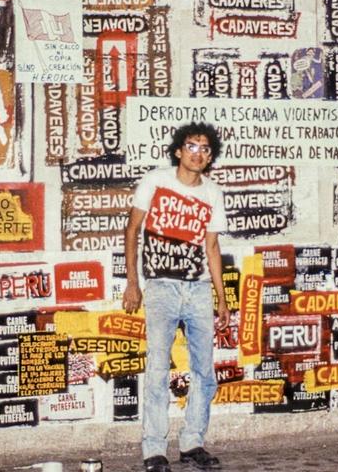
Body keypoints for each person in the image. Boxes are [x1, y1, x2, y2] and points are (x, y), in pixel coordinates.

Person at [124, 122, 230, 472]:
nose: (198, 153)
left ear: (209, 156)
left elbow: (212, 247)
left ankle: (192, 443)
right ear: (178, 151)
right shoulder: (155, 181)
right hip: (161, 287)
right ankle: (154, 449)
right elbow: (133, 229)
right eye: (192, 146)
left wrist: (222, 298)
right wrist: (133, 283)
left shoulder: (213, 193)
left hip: (198, 288)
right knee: (156, 369)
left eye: (205, 149)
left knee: (204, 371)